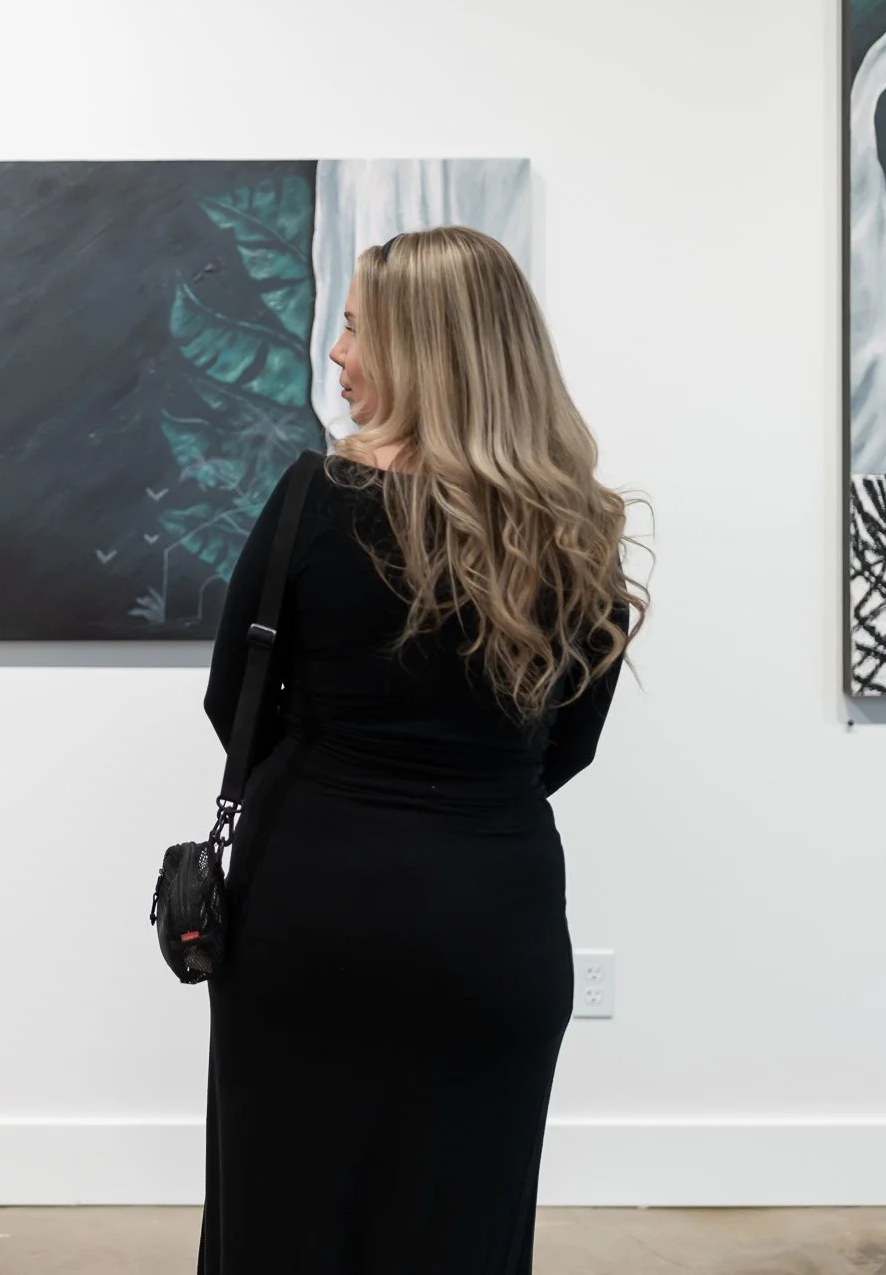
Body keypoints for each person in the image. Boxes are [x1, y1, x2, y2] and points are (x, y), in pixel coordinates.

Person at [197, 226, 645, 1273]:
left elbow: (235, 703)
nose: (336, 351)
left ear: (420, 347)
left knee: (284, 1212)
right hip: (491, 919)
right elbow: (565, 743)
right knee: (461, 1217)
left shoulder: (313, 498)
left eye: (353, 324)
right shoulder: (576, 526)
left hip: (305, 904)